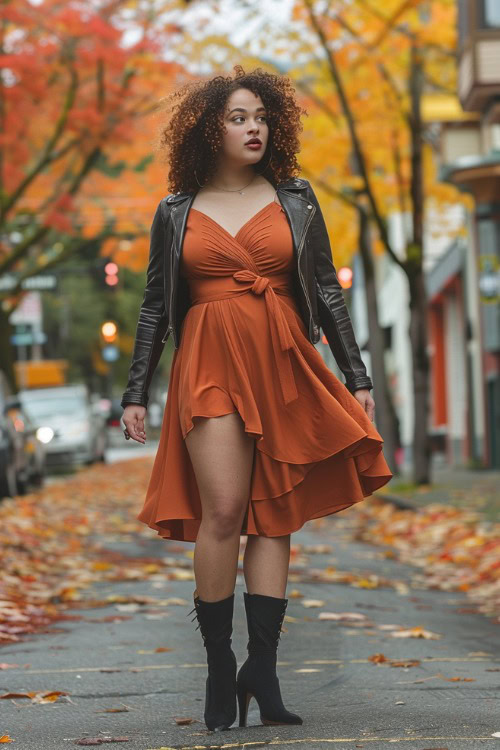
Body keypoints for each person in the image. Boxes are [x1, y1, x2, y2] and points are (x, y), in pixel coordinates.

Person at [121, 65, 392, 732]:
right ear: (209, 128)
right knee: (223, 509)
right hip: (210, 359)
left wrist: (358, 378)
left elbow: (328, 292)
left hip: (283, 362)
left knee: (275, 517)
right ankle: (219, 666)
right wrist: (135, 391)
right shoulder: (176, 209)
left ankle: (262, 672)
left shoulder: (296, 200)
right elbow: (155, 305)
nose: (253, 129)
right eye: (238, 118)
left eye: (261, 118)